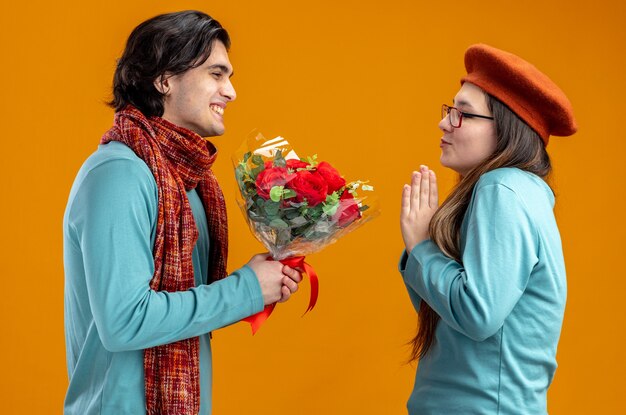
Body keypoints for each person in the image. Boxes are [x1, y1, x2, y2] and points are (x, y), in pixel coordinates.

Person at [63, 10, 302, 415]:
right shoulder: (120, 173)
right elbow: (125, 321)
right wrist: (245, 289)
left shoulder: (188, 183)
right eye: (216, 74)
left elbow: (183, 308)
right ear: (164, 79)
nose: (231, 92)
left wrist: (264, 281)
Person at [399, 43, 577, 414]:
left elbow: (477, 314)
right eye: (451, 110)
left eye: (463, 114)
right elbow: (450, 321)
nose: (444, 123)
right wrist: (425, 247)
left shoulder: (503, 188)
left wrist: (422, 247)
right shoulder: (512, 192)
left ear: (507, 127)